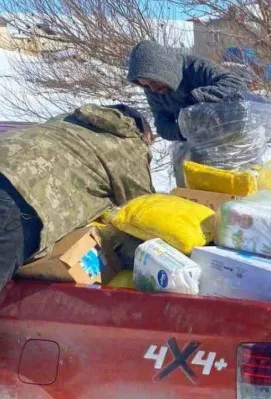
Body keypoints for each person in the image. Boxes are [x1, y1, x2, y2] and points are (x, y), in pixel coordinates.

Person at [0, 104, 155, 290]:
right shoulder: (130, 143)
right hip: (22, 197)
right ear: (143, 135)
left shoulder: (66, 121)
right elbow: (145, 212)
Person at [127, 40, 248, 186]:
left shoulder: (196, 67)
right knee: (193, 196)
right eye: (145, 85)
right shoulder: (153, 91)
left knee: (228, 194)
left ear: (163, 70)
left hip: (229, 143)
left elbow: (236, 84)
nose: (152, 89)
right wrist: (184, 130)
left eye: (153, 82)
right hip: (194, 149)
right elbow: (161, 124)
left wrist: (198, 98)